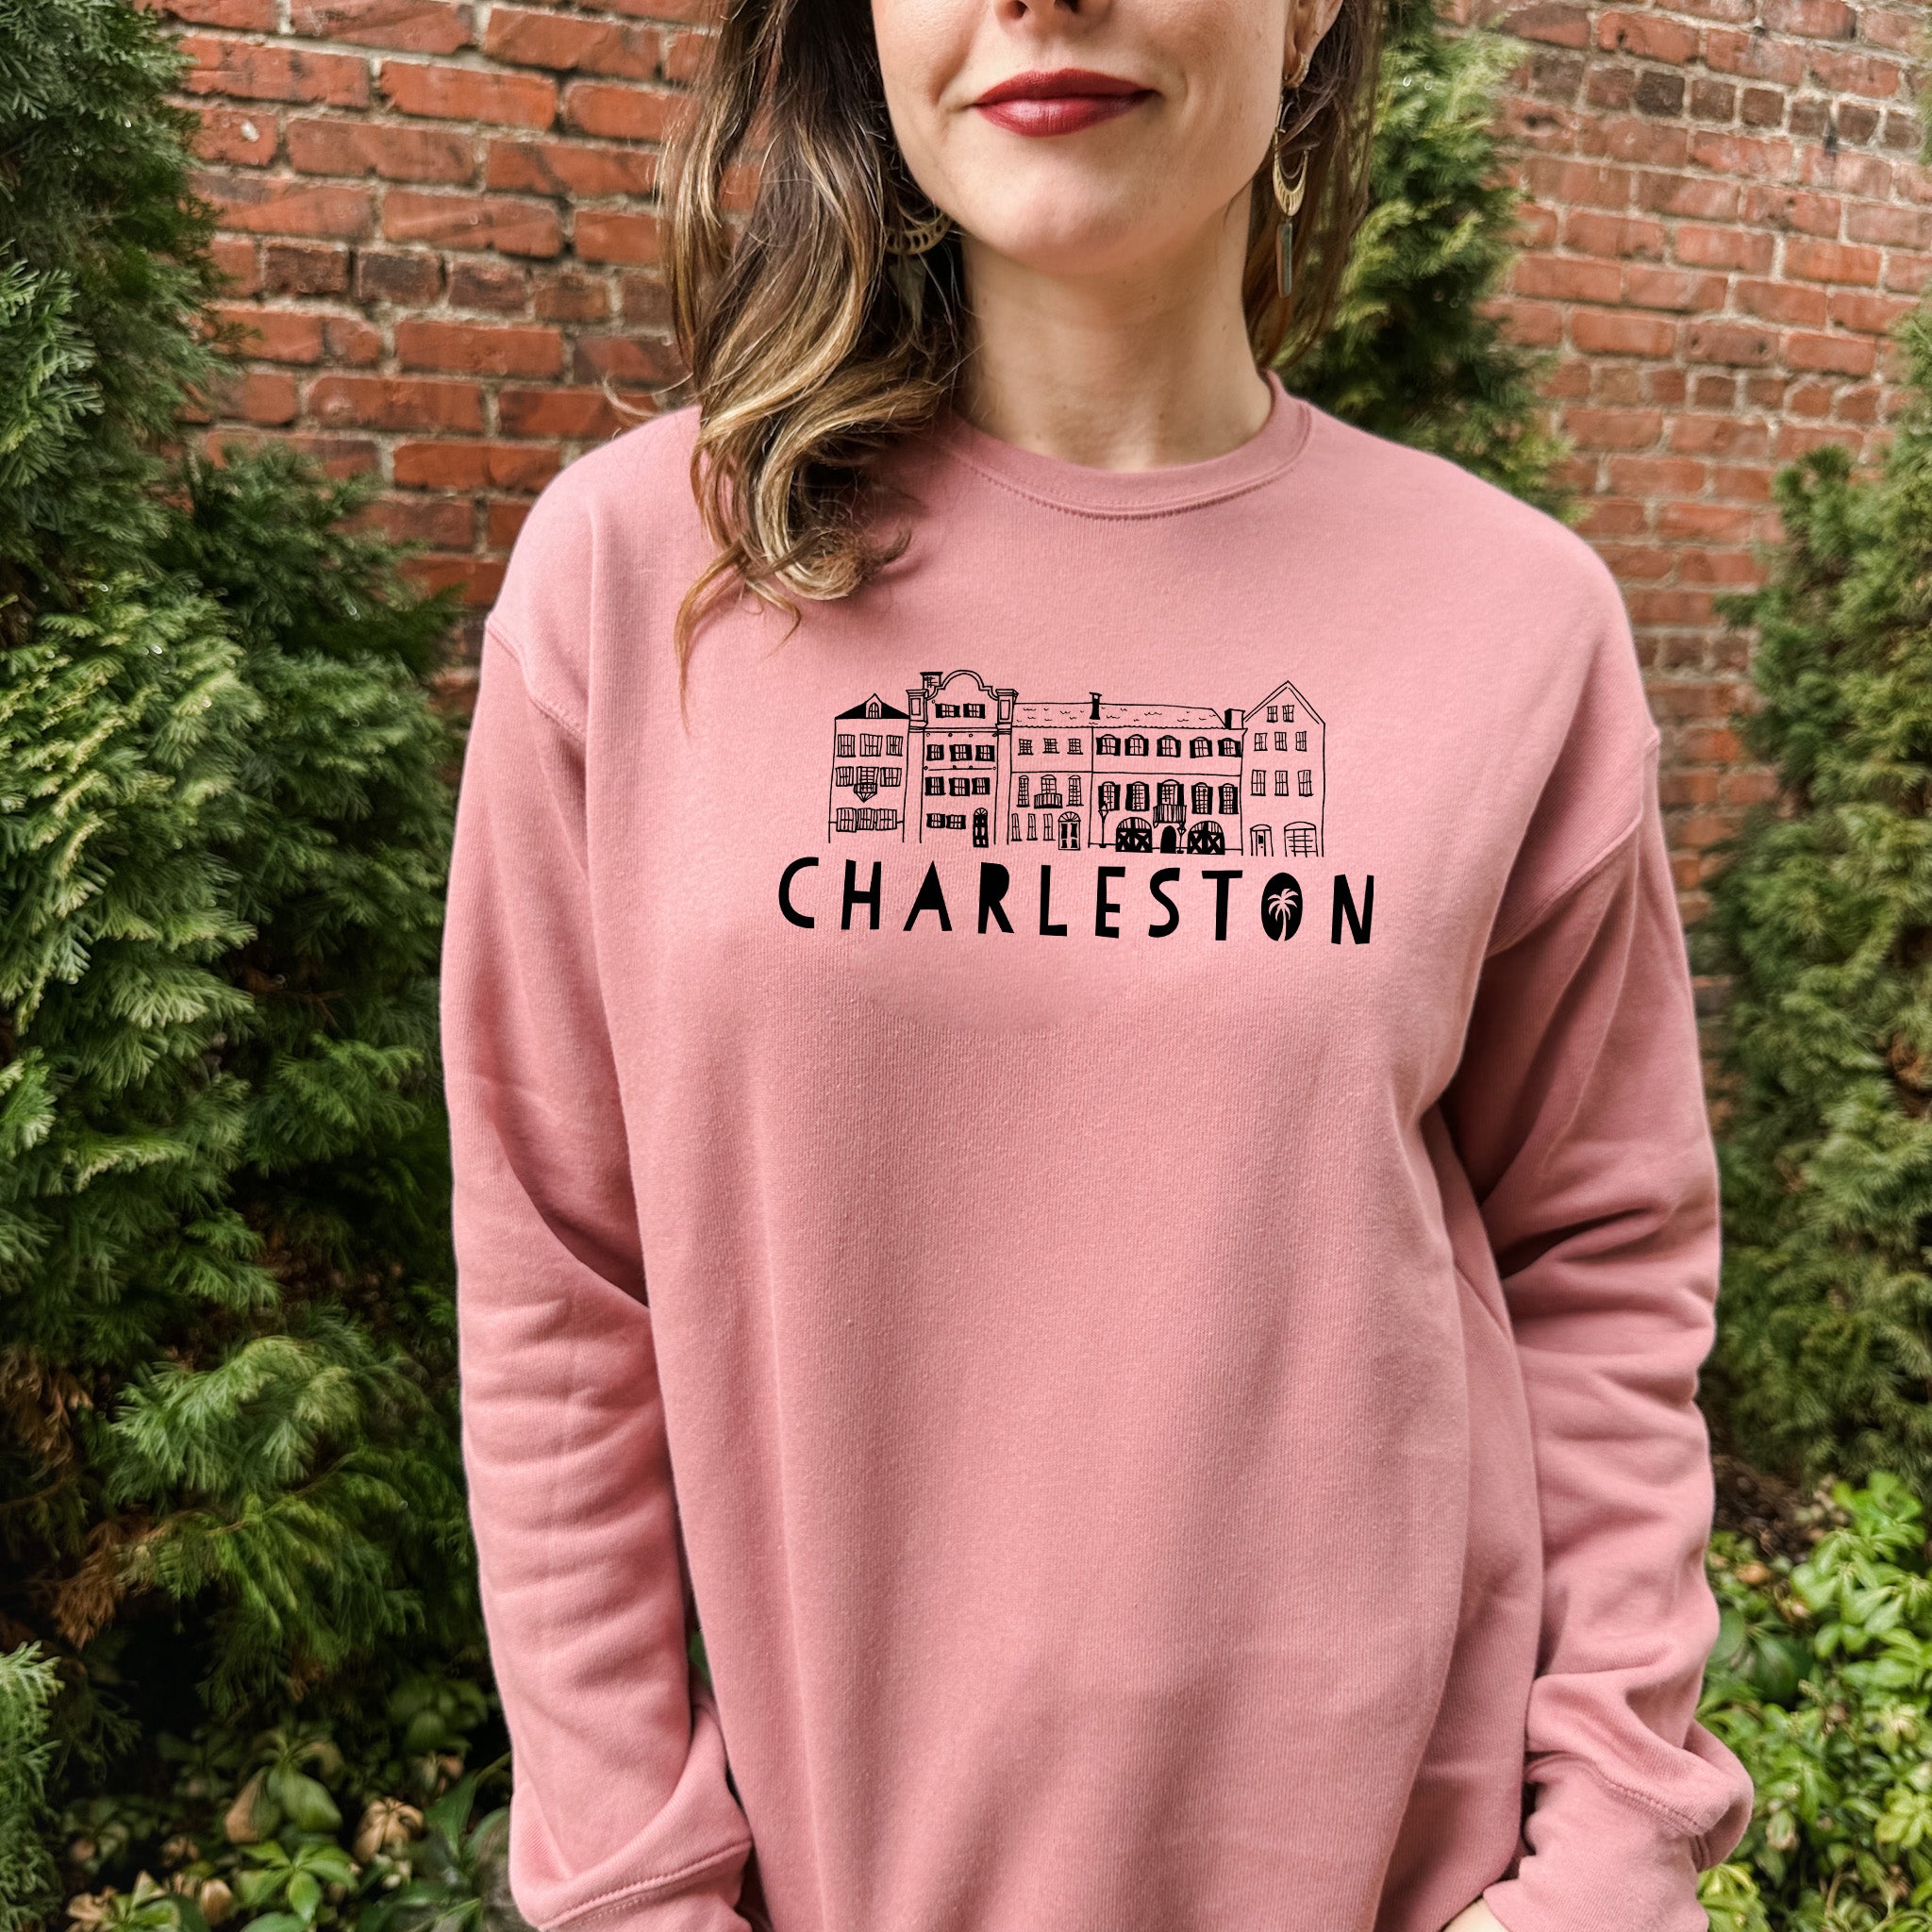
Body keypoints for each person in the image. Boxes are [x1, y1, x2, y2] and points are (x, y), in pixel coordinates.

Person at [437, 0, 1758, 1916]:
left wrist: (1611, 1850)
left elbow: (1606, 1267)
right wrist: (638, 1887)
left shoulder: (1513, 622)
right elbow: (556, 1283)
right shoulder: (645, 578)